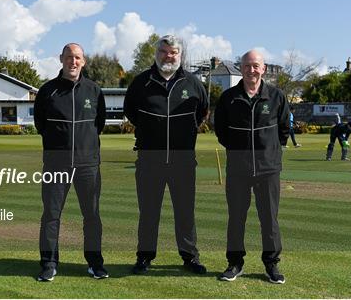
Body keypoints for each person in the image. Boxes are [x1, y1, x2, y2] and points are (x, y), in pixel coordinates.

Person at [123, 35, 209, 275]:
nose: (168, 56)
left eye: (173, 52)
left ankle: (190, 257)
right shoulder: (141, 82)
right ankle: (145, 256)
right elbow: (131, 112)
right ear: (156, 53)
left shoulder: (193, 83)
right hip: (150, 160)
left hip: (183, 161)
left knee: (185, 212)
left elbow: (202, 112)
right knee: (149, 212)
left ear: (180, 55)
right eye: (163, 51)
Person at [214, 50, 290, 283]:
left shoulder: (276, 96)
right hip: (238, 170)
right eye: (247, 66)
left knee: (269, 219)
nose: (251, 70)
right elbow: (221, 131)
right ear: (241, 68)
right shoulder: (229, 98)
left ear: (263, 69)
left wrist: (270, 153)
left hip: (268, 170)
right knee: (236, 217)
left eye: (256, 66)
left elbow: (284, 129)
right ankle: (235, 263)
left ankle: (271, 264)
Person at [33, 43, 108, 281]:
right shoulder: (48, 91)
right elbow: (40, 125)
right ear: (61, 59)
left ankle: (95, 263)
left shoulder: (94, 91)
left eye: (77, 58)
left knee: (92, 216)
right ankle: (49, 263)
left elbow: (100, 124)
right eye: (68, 57)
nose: (72, 62)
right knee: (51, 215)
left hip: (88, 165)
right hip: (56, 165)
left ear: (83, 61)